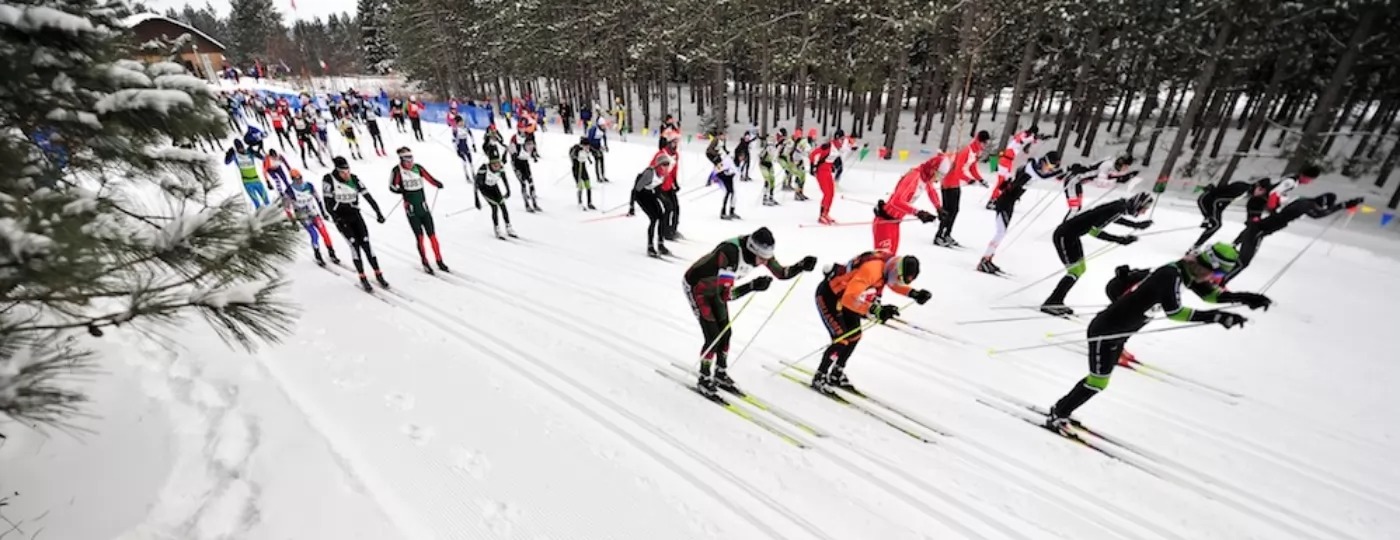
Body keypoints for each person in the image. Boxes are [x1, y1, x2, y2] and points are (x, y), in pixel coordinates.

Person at [1045, 244, 1272, 431]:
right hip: (1106, 330)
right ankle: (1059, 412)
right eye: (1218, 273)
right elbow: (1176, 313)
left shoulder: (1188, 273)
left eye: (1221, 276)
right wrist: (1215, 318)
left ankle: (1062, 409)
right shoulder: (1170, 274)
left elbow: (1212, 297)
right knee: (1098, 382)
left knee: (1099, 381)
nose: (1216, 278)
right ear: (1207, 265)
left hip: (1121, 333)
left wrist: (1247, 298)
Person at [683, 227, 817, 394]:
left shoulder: (761, 251)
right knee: (712, 336)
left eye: (766, 258)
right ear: (752, 250)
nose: (763, 262)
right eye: (761, 259)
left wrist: (801, 265)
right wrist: (752, 286)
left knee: (726, 333)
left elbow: (781, 273)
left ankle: (720, 372)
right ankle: (704, 377)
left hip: (717, 289)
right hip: (698, 287)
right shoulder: (730, 253)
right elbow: (727, 295)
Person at [812, 252, 931, 390]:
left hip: (847, 295)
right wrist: (875, 310)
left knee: (855, 335)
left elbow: (893, 282)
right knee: (841, 339)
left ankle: (837, 371)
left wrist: (913, 293)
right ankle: (820, 375)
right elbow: (848, 299)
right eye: (899, 278)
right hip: (830, 295)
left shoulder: (889, 264)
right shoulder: (872, 270)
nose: (897, 281)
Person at [1040, 193, 1155, 316]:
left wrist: (1136, 225)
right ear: (1138, 205)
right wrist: (1119, 239)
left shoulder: (1119, 206)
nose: (1143, 213)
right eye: (1144, 209)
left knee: (1080, 269)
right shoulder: (1118, 208)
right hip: (1064, 236)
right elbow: (1094, 231)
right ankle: (1052, 302)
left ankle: (1056, 300)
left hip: (1072, 236)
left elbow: (1113, 219)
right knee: (1075, 271)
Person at [1222, 193, 1362, 286]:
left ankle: (1220, 276)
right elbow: (1318, 214)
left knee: (1239, 256)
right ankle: (1221, 283)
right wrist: (1343, 205)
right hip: (1260, 230)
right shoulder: (1308, 205)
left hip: (1259, 226)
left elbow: (1318, 210)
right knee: (1243, 262)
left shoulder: (1303, 200)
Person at [979, 151, 1065, 274]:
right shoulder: (1032, 168)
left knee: (1001, 232)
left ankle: (987, 259)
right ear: (1044, 161)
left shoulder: (1035, 165)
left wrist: (1064, 173)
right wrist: (1060, 172)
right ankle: (984, 261)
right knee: (1000, 232)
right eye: (1050, 166)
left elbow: (1048, 175)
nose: (1049, 169)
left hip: (1010, 202)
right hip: (1004, 201)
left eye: (1052, 168)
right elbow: (1042, 176)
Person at [323, 156, 389, 292]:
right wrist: (335, 217)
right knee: (354, 246)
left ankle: (378, 273)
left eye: (348, 171)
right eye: (343, 172)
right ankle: (362, 277)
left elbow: (368, 196)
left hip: (355, 216)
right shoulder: (329, 180)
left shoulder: (354, 179)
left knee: (366, 243)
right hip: (342, 219)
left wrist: (378, 213)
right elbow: (327, 203)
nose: (346, 175)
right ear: (337, 171)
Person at [388, 147, 450, 273]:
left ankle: (439, 260)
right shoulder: (397, 170)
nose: (410, 162)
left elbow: (429, 178)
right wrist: (401, 190)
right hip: (411, 209)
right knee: (420, 237)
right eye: (407, 160)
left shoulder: (418, 168)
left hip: (423, 206)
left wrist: (437, 183)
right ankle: (425, 261)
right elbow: (392, 186)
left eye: (411, 159)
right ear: (401, 160)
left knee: (432, 235)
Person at [873, 153, 945, 254]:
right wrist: (918, 213)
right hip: (885, 221)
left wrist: (939, 208)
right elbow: (895, 202)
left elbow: (931, 191)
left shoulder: (925, 177)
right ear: (933, 169)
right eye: (938, 175)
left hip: (895, 222)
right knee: (882, 259)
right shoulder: (914, 176)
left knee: (891, 259)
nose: (938, 180)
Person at [933, 130, 990, 247]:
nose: (985, 146)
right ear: (979, 141)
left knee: (955, 211)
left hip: (955, 183)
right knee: (948, 211)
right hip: (948, 183)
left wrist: (980, 179)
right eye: (984, 143)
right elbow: (958, 170)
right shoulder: (966, 151)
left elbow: (973, 168)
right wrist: (969, 180)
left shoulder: (975, 152)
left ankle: (947, 234)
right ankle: (939, 236)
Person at [1189, 177, 1271, 251]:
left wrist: (1217, 212)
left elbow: (1224, 199)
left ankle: (1196, 246)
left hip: (1212, 201)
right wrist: (1209, 216)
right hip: (1206, 200)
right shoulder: (1242, 190)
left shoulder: (1245, 189)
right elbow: (1218, 200)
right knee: (1216, 225)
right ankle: (1195, 248)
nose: (1260, 193)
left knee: (1215, 224)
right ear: (1256, 185)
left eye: (1263, 192)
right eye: (1260, 189)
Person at [285, 169, 339, 266]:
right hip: (302, 216)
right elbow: (287, 207)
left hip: (313, 212)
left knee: (324, 232)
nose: (299, 181)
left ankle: (332, 252)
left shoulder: (309, 185)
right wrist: (293, 221)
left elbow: (318, 198)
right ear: (292, 179)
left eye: (300, 178)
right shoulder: (289, 190)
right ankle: (318, 255)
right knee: (314, 234)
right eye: (296, 179)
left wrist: (323, 212)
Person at [1062, 156, 1137, 222]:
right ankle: (1064, 228)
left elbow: (1103, 175)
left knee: (1077, 208)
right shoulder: (1107, 165)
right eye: (1126, 166)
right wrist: (1118, 180)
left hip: (1077, 183)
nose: (1126, 169)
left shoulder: (1111, 163)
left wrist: (1123, 177)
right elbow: (1100, 183)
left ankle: (1068, 226)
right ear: (1121, 163)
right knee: (1075, 208)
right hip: (1072, 182)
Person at [628, 154, 673, 257]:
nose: (666, 167)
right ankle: (650, 246)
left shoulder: (664, 174)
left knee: (661, 216)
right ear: (658, 165)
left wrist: (664, 200)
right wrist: (631, 207)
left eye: (668, 165)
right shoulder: (649, 173)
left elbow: (657, 189)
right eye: (664, 165)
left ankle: (661, 244)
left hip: (649, 194)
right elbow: (635, 190)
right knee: (653, 218)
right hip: (640, 195)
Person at [809, 130, 853, 225]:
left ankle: (826, 214)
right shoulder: (828, 146)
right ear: (836, 138)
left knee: (832, 193)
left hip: (828, 171)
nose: (842, 141)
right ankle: (821, 215)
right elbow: (813, 154)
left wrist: (854, 147)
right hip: (821, 171)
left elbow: (848, 147)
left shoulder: (839, 147)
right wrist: (812, 166)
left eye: (843, 139)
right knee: (827, 193)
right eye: (841, 139)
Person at [474, 157, 517, 239]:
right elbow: (476, 184)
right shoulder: (484, 169)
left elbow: (505, 179)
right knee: (494, 207)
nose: (497, 167)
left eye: (498, 164)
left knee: (503, 205)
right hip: (484, 188)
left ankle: (508, 227)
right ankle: (497, 228)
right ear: (490, 164)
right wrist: (476, 199)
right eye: (495, 165)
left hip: (494, 187)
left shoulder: (500, 169)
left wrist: (508, 190)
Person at [225, 139, 268, 209]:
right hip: (247, 183)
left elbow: (262, 158)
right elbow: (227, 162)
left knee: (266, 200)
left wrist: (255, 152)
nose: (241, 149)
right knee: (257, 203)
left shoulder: (249, 153)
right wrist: (229, 154)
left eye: (242, 147)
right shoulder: (236, 156)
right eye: (239, 148)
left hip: (257, 180)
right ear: (236, 148)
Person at [654, 136, 682, 239]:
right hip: (660, 186)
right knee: (668, 208)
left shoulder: (675, 155)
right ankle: (665, 231)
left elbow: (674, 170)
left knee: (676, 208)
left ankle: (673, 229)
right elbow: (652, 167)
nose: (675, 145)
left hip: (669, 185)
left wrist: (675, 182)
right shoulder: (661, 154)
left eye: (676, 143)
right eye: (673, 143)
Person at [508, 134, 540, 212]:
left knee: (531, 182)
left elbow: (533, 155)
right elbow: (510, 150)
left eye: (532, 144)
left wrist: (535, 157)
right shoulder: (519, 148)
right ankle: (527, 205)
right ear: (524, 144)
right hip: (516, 164)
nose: (531, 147)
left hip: (525, 163)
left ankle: (535, 204)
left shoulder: (532, 149)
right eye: (528, 145)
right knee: (523, 183)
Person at [569, 137, 596, 211]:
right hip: (576, 170)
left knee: (588, 185)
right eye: (586, 146)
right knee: (580, 186)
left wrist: (594, 156)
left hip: (583, 169)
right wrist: (576, 157)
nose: (587, 147)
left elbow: (592, 152)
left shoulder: (587, 149)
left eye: (588, 146)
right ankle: (580, 202)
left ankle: (589, 202)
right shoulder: (577, 149)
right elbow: (572, 155)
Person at [715, 153, 740, 220]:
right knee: (728, 192)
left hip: (729, 177)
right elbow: (718, 168)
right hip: (723, 176)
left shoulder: (735, 161)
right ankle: (723, 213)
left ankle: (731, 211)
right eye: (742, 157)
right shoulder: (729, 160)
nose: (742, 159)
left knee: (733, 193)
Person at [758, 134, 779, 206]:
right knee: (767, 180)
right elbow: (761, 155)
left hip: (770, 165)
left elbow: (774, 156)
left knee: (772, 180)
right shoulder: (768, 147)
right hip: (763, 165)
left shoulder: (774, 147)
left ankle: (771, 196)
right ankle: (765, 197)